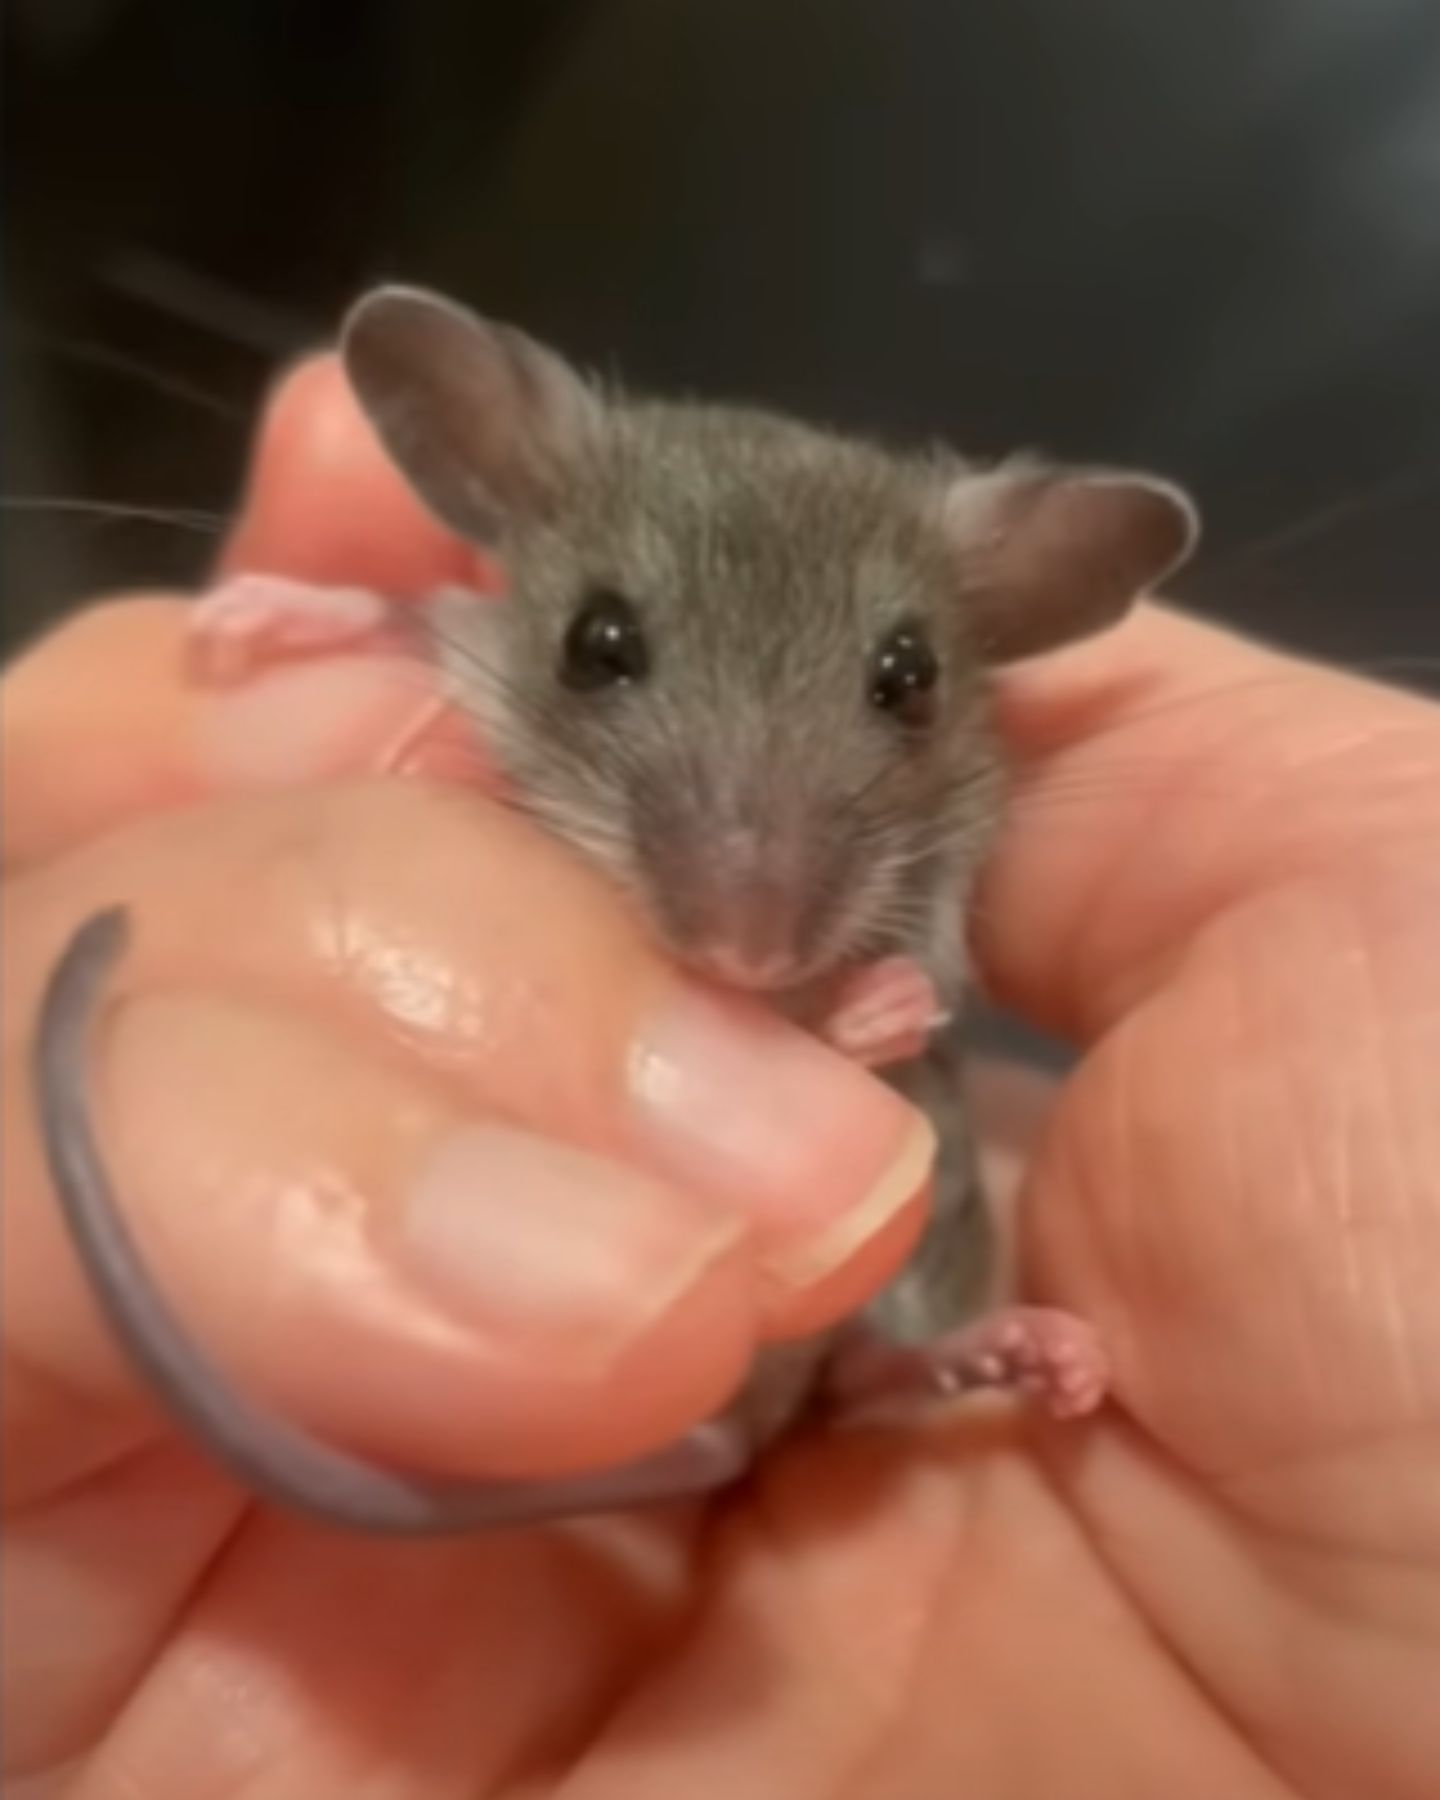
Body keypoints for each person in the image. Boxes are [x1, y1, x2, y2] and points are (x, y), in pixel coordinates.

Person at [5, 354, 1438, 1800]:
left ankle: (899, 1358)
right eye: (612, 649)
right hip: (600, 1388)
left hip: (832, 1350)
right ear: (500, 506)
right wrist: (362, 627)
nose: (751, 893)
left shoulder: (991, 797)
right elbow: (456, 636)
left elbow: (926, 978)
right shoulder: (486, 621)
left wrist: (861, 1028)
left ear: (1009, 613)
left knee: (911, 1117)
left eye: (892, 689)